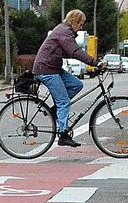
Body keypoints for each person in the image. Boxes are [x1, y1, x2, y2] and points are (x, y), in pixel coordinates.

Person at [32, 9, 104, 147]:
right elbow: (75, 51)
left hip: (54, 68)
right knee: (64, 101)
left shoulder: (65, 31)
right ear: (74, 21)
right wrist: (95, 63)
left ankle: (55, 110)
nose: (81, 27)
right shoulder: (64, 31)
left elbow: (70, 52)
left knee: (77, 85)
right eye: (81, 24)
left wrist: (95, 63)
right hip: (46, 70)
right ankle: (63, 135)